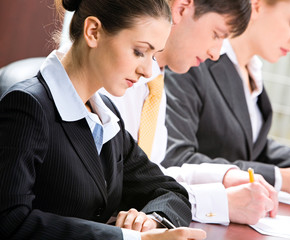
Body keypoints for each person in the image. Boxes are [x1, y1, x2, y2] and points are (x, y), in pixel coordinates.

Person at [0, 0, 207, 239]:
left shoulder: (103, 113)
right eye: (139, 51)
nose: (147, 71)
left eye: (153, 55)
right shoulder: (26, 107)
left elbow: (171, 192)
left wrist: (150, 221)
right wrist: (132, 238)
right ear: (93, 32)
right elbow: (10, 220)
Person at [103, 0, 278, 226]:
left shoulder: (156, 83)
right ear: (182, 8)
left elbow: (154, 174)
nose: (216, 54)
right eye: (216, 34)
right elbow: (124, 189)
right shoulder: (119, 78)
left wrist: (223, 177)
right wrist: (218, 202)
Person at [164, 0, 290, 201]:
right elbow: (176, 158)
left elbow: (254, 145)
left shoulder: (249, 70)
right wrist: (278, 178)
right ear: (257, 6)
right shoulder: (191, 60)